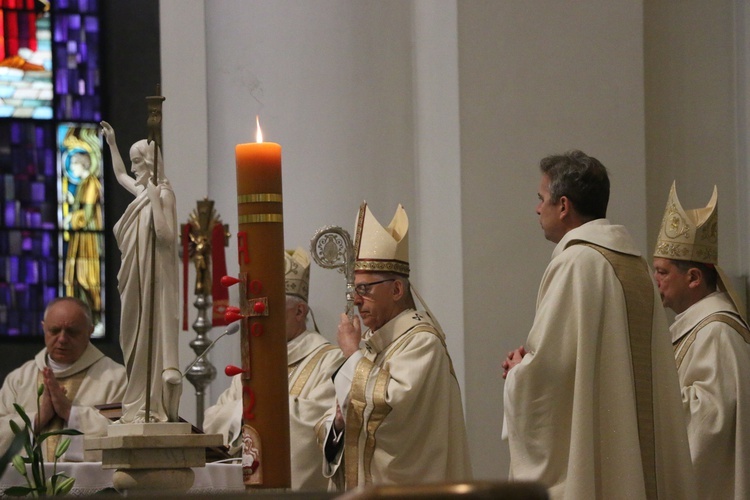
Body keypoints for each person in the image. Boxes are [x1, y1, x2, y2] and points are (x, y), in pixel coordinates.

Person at [502, 151, 695, 499]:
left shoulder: (577, 263)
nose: (536, 208)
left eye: (540, 198)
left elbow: (550, 374)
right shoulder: (633, 265)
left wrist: (519, 371)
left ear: (563, 206)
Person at [322, 202, 471, 490]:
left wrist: (351, 355)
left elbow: (391, 410)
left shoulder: (422, 343)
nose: (355, 300)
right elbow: (344, 418)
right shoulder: (370, 344)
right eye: (355, 290)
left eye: (365, 290)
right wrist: (338, 425)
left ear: (397, 289)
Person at [203, 247, 345, 491]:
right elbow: (213, 420)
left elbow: (321, 423)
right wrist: (245, 410)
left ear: (300, 312)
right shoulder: (253, 364)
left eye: (267, 309)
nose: (258, 319)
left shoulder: (330, 360)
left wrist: (250, 409)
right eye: (254, 310)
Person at [653, 182, 750, 499]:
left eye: (663, 272)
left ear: (693, 277)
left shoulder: (717, 332)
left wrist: (646, 390)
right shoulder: (693, 327)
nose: (656, 281)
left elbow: (711, 422)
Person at [101, 120, 181, 424]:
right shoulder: (141, 189)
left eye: (138, 162)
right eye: (133, 161)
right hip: (132, 276)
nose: (134, 169)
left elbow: (165, 236)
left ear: (149, 162)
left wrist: (153, 197)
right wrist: (112, 144)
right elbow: (119, 174)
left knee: (149, 336)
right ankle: (135, 405)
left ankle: (150, 405)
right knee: (130, 337)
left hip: (153, 281)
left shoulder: (164, 194)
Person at [0, 297, 126, 461]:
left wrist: (70, 413)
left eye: (72, 332)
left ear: (90, 331)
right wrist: (38, 419)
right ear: (44, 328)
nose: (62, 339)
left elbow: (124, 436)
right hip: (27, 484)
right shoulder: (18, 379)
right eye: (54, 330)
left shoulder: (115, 378)